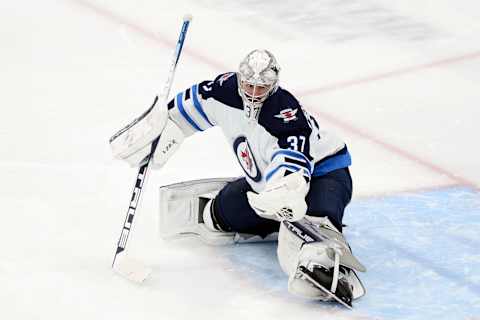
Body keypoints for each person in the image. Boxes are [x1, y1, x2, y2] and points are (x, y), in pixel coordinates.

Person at [110, 49, 366, 307]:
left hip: (325, 175)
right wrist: (160, 130)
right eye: (249, 85)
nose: (254, 93)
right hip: (265, 186)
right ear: (240, 79)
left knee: (311, 233)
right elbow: (187, 108)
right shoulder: (223, 90)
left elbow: (292, 165)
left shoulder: (286, 113)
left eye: (261, 87)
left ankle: (325, 261)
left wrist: (283, 190)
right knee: (216, 216)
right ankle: (274, 222)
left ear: (273, 85)